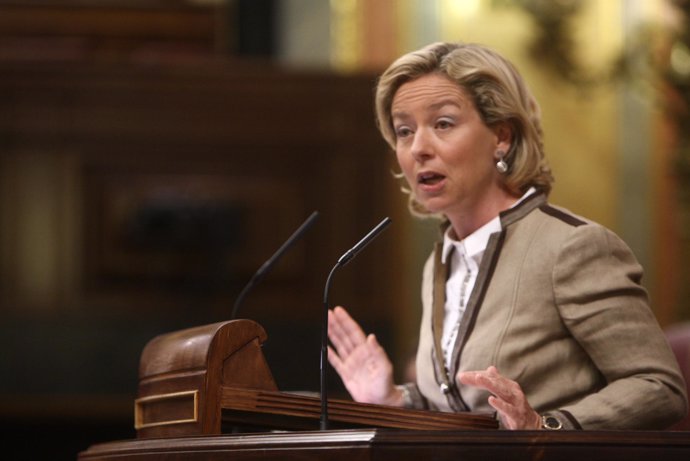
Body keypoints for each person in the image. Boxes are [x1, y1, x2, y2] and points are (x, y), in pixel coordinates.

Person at [327, 42, 688, 430]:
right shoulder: (440, 260)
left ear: (502, 136)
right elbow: (461, 404)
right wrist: (395, 399)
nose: (418, 148)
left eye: (443, 123)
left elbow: (659, 387)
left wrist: (544, 426)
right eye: (403, 130)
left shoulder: (573, 247)